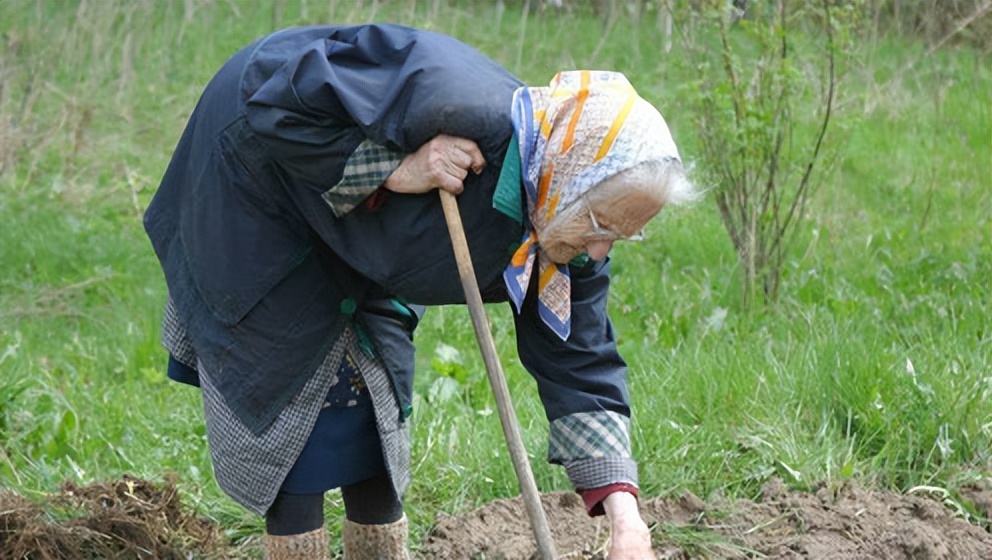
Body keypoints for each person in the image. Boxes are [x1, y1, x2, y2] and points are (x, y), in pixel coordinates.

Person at [144, 23, 692, 560]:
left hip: (370, 236)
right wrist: (394, 167)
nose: (600, 249)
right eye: (601, 226)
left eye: (624, 234)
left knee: (376, 412)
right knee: (293, 407)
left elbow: (581, 362)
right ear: (568, 177)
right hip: (263, 188)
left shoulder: (571, 229)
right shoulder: (449, 100)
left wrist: (625, 520)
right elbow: (270, 89)